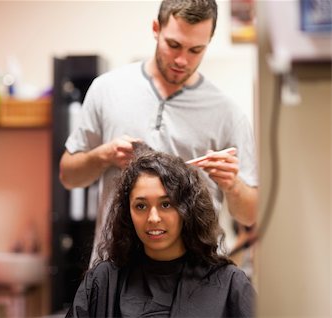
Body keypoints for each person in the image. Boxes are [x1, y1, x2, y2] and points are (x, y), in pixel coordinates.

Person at [60, 0, 258, 264]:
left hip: (195, 280)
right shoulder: (107, 90)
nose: (181, 60)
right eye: (173, 45)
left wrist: (233, 185)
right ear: (156, 28)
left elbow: (251, 215)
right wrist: (103, 156)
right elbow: (69, 176)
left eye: (195, 50)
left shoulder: (227, 113)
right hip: (117, 273)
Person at [65, 146, 256, 317]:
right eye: (141, 206)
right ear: (127, 212)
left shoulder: (228, 284)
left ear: (186, 209)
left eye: (166, 204)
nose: (153, 218)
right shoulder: (104, 282)